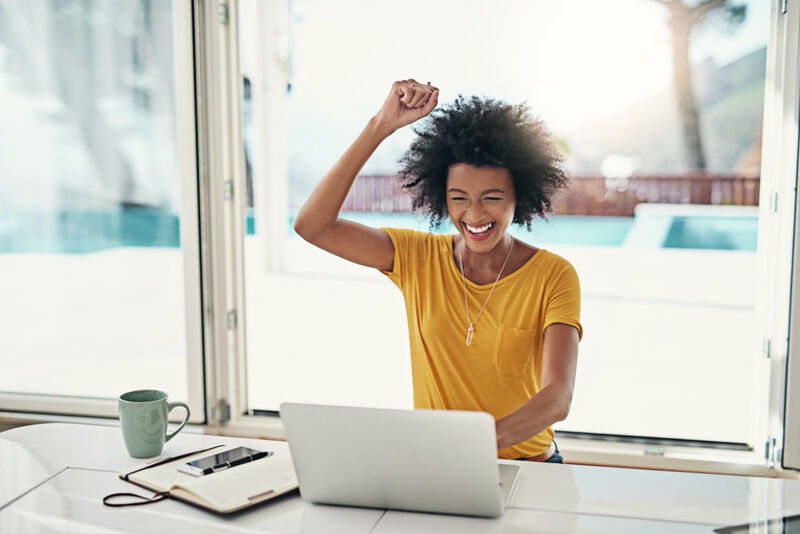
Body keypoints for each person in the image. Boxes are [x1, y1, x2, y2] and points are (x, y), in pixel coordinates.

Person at [293, 79, 582, 462]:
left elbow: (557, 398)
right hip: (440, 465)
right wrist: (381, 124)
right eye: (458, 199)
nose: (474, 215)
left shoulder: (554, 275)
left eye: (492, 199)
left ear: (520, 195)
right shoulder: (417, 257)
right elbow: (312, 226)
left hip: (532, 468)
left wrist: (472, 445)